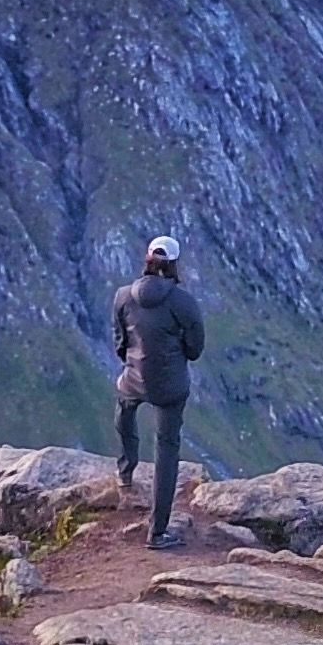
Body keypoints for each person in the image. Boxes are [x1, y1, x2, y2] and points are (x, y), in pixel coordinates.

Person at [111, 234, 207, 550]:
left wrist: (134, 361)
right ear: (174, 264)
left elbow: (120, 342)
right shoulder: (184, 303)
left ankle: (125, 471)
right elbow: (194, 350)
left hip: (134, 377)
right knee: (166, 447)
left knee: (124, 406)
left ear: (148, 260)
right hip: (169, 385)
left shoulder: (123, 296)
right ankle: (157, 532)